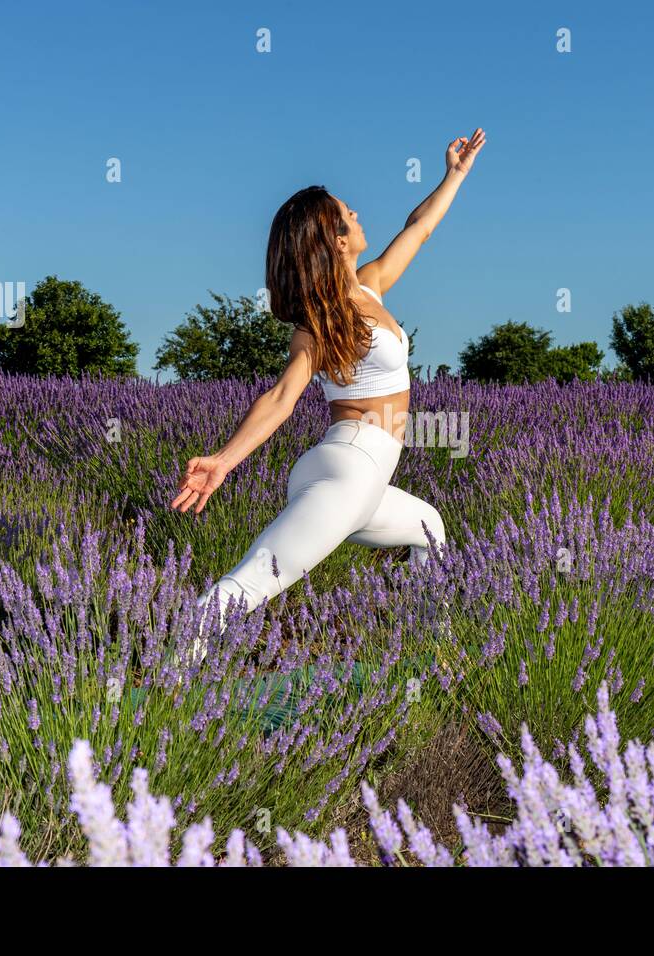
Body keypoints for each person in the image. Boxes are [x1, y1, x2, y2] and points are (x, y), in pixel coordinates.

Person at [170, 129, 487, 662]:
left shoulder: (369, 286)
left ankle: (435, 656)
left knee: (429, 527)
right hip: (351, 469)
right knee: (251, 582)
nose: (358, 213)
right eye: (349, 213)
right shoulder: (318, 324)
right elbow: (282, 396)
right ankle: (164, 685)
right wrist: (224, 460)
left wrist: (455, 174)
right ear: (336, 239)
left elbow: (420, 228)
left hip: (357, 472)